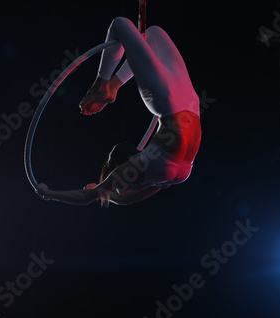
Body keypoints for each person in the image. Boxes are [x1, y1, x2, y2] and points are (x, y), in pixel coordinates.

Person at [36, 17, 201, 206]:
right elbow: (86, 198)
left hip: (188, 103)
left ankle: (111, 86)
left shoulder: (158, 179)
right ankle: (102, 85)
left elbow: (123, 199)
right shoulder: (131, 171)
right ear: (116, 166)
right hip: (170, 101)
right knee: (120, 25)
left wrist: (102, 192)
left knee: (152, 34)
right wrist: (48, 193)